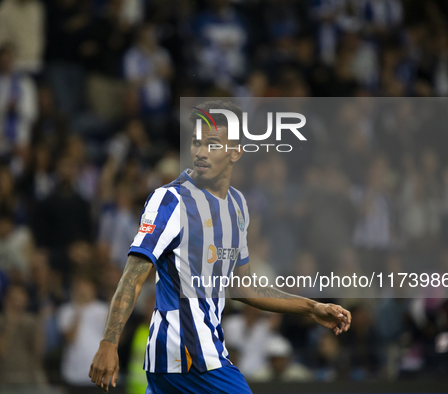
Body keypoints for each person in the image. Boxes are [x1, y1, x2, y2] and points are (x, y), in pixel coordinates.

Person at [89, 100, 352, 393]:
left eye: (212, 144)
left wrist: (311, 307)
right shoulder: (170, 201)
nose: (200, 152)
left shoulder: (237, 206)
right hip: (190, 358)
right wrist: (108, 343)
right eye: (196, 142)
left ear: (236, 152)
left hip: (187, 360)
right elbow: (133, 276)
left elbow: (244, 287)